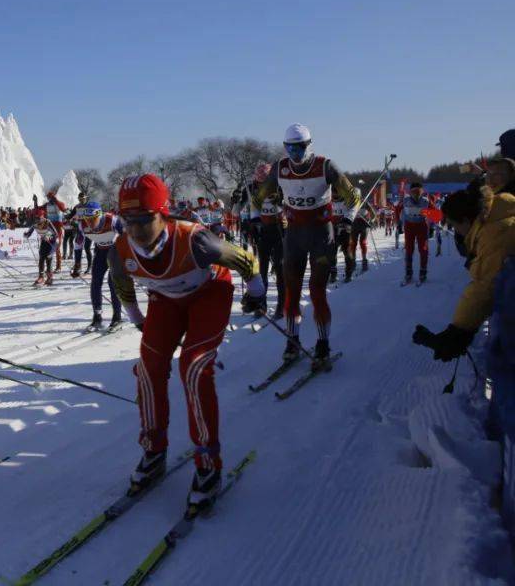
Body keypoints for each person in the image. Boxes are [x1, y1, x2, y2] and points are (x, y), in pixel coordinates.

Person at [109, 174, 265, 509]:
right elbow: (121, 284)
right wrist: (137, 319)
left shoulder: (195, 240)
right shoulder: (121, 249)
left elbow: (246, 260)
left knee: (194, 369)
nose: (136, 230)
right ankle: (153, 449)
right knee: (148, 368)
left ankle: (208, 463)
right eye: (128, 221)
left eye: (144, 220)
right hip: (166, 300)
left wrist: (256, 293)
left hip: (209, 294)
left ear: (163, 213)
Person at [252, 123, 359, 368]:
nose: (295, 154)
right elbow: (257, 198)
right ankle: (293, 340)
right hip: (295, 236)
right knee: (291, 290)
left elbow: (353, 197)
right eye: (289, 148)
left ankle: (322, 344)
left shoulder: (325, 166)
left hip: (321, 234)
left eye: (299, 148)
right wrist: (255, 221)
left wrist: (347, 223)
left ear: (309, 145)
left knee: (317, 291)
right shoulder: (280, 168)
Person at [413, 184, 515, 360]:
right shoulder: (500, 210)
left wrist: (458, 332)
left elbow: (485, 286)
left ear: (466, 220)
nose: (455, 231)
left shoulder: (494, 234)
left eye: (454, 225)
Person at [73, 201, 123, 331]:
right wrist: (77, 264)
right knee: (95, 282)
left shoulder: (112, 220)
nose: (90, 223)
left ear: (99, 215)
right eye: (87, 219)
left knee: (113, 283)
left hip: (116, 252)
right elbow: (78, 244)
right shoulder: (82, 225)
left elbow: (128, 237)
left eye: (93, 219)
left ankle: (117, 317)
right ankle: (97, 318)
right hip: (101, 252)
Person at [250, 164, 285, 320]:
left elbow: (291, 206)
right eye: (259, 182)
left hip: (280, 230)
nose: (261, 185)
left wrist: (282, 202)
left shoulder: (281, 186)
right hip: (264, 231)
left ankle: (281, 304)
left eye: (264, 182)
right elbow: (251, 210)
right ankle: (262, 304)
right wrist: (252, 224)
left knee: (279, 267)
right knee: (262, 269)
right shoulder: (253, 189)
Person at [397, 182, 430, 285]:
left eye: (418, 192)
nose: (416, 194)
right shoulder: (405, 200)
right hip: (409, 226)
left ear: (422, 192)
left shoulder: (425, 201)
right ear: (410, 192)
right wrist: (398, 223)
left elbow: (435, 213)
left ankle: (423, 272)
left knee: (423, 249)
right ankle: (408, 272)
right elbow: (397, 210)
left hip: (421, 226)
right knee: (409, 249)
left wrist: (433, 226)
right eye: (414, 192)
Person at [25, 209, 58, 286]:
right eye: (36, 218)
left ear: (43, 217)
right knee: (41, 258)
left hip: (52, 242)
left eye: (39, 218)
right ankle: (41, 277)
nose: (37, 220)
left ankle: (50, 277)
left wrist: (48, 236)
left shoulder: (48, 222)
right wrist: (26, 235)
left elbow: (55, 234)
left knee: (48, 258)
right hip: (44, 242)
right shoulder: (35, 224)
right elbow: (29, 232)